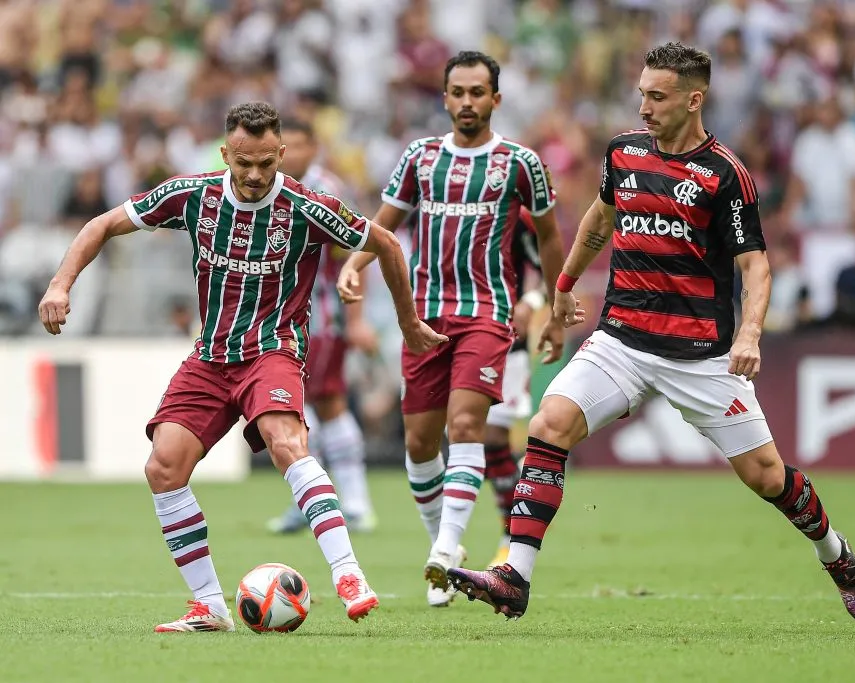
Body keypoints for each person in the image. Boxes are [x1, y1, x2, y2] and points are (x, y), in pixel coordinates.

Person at [447, 43, 855, 624]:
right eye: (641, 94)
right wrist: (564, 288)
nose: (643, 107)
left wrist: (749, 335)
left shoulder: (725, 174)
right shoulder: (623, 153)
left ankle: (837, 555)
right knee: (550, 423)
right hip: (621, 340)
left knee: (768, 478)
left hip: (701, 356)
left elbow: (756, 266)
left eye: (657, 96)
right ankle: (514, 576)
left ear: (694, 99)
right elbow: (600, 219)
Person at [37, 102, 446, 633]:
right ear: (226, 153)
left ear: (281, 154)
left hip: (273, 350)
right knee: (163, 468)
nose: (254, 176)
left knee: (285, 440)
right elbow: (104, 223)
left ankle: (349, 575)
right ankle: (208, 606)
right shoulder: (193, 194)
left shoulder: (307, 205)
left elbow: (386, 242)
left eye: (265, 164)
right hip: (209, 357)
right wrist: (59, 283)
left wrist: (409, 324)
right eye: (243, 163)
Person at [338, 51, 567, 607]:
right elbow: (384, 228)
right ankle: (446, 544)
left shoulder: (520, 163)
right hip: (422, 316)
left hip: (487, 313)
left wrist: (555, 307)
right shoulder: (418, 157)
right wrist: (353, 262)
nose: (467, 102)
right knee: (419, 442)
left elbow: (550, 238)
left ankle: (445, 550)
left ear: (496, 99)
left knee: (467, 424)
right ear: (445, 98)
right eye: (457, 92)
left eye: (477, 92)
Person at [266, 119, 379, 535]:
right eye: (286, 146)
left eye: (299, 145)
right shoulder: (263, 185)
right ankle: (310, 500)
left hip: (321, 315)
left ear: (314, 148)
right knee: (294, 407)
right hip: (276, 317)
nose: (291, 154)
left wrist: (356, 317)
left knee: (326, 401)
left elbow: (359, 251)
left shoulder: (328, 191)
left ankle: (355, 502)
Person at [483, 209, 546, 569]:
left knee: (491, 437)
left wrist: (530, 302)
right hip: (451, 333)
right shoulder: (443, 201)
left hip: (506, 341)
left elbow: (547, 269)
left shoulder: (518, 216)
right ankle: (444, 544)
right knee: (460, 439)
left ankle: (509, 536)